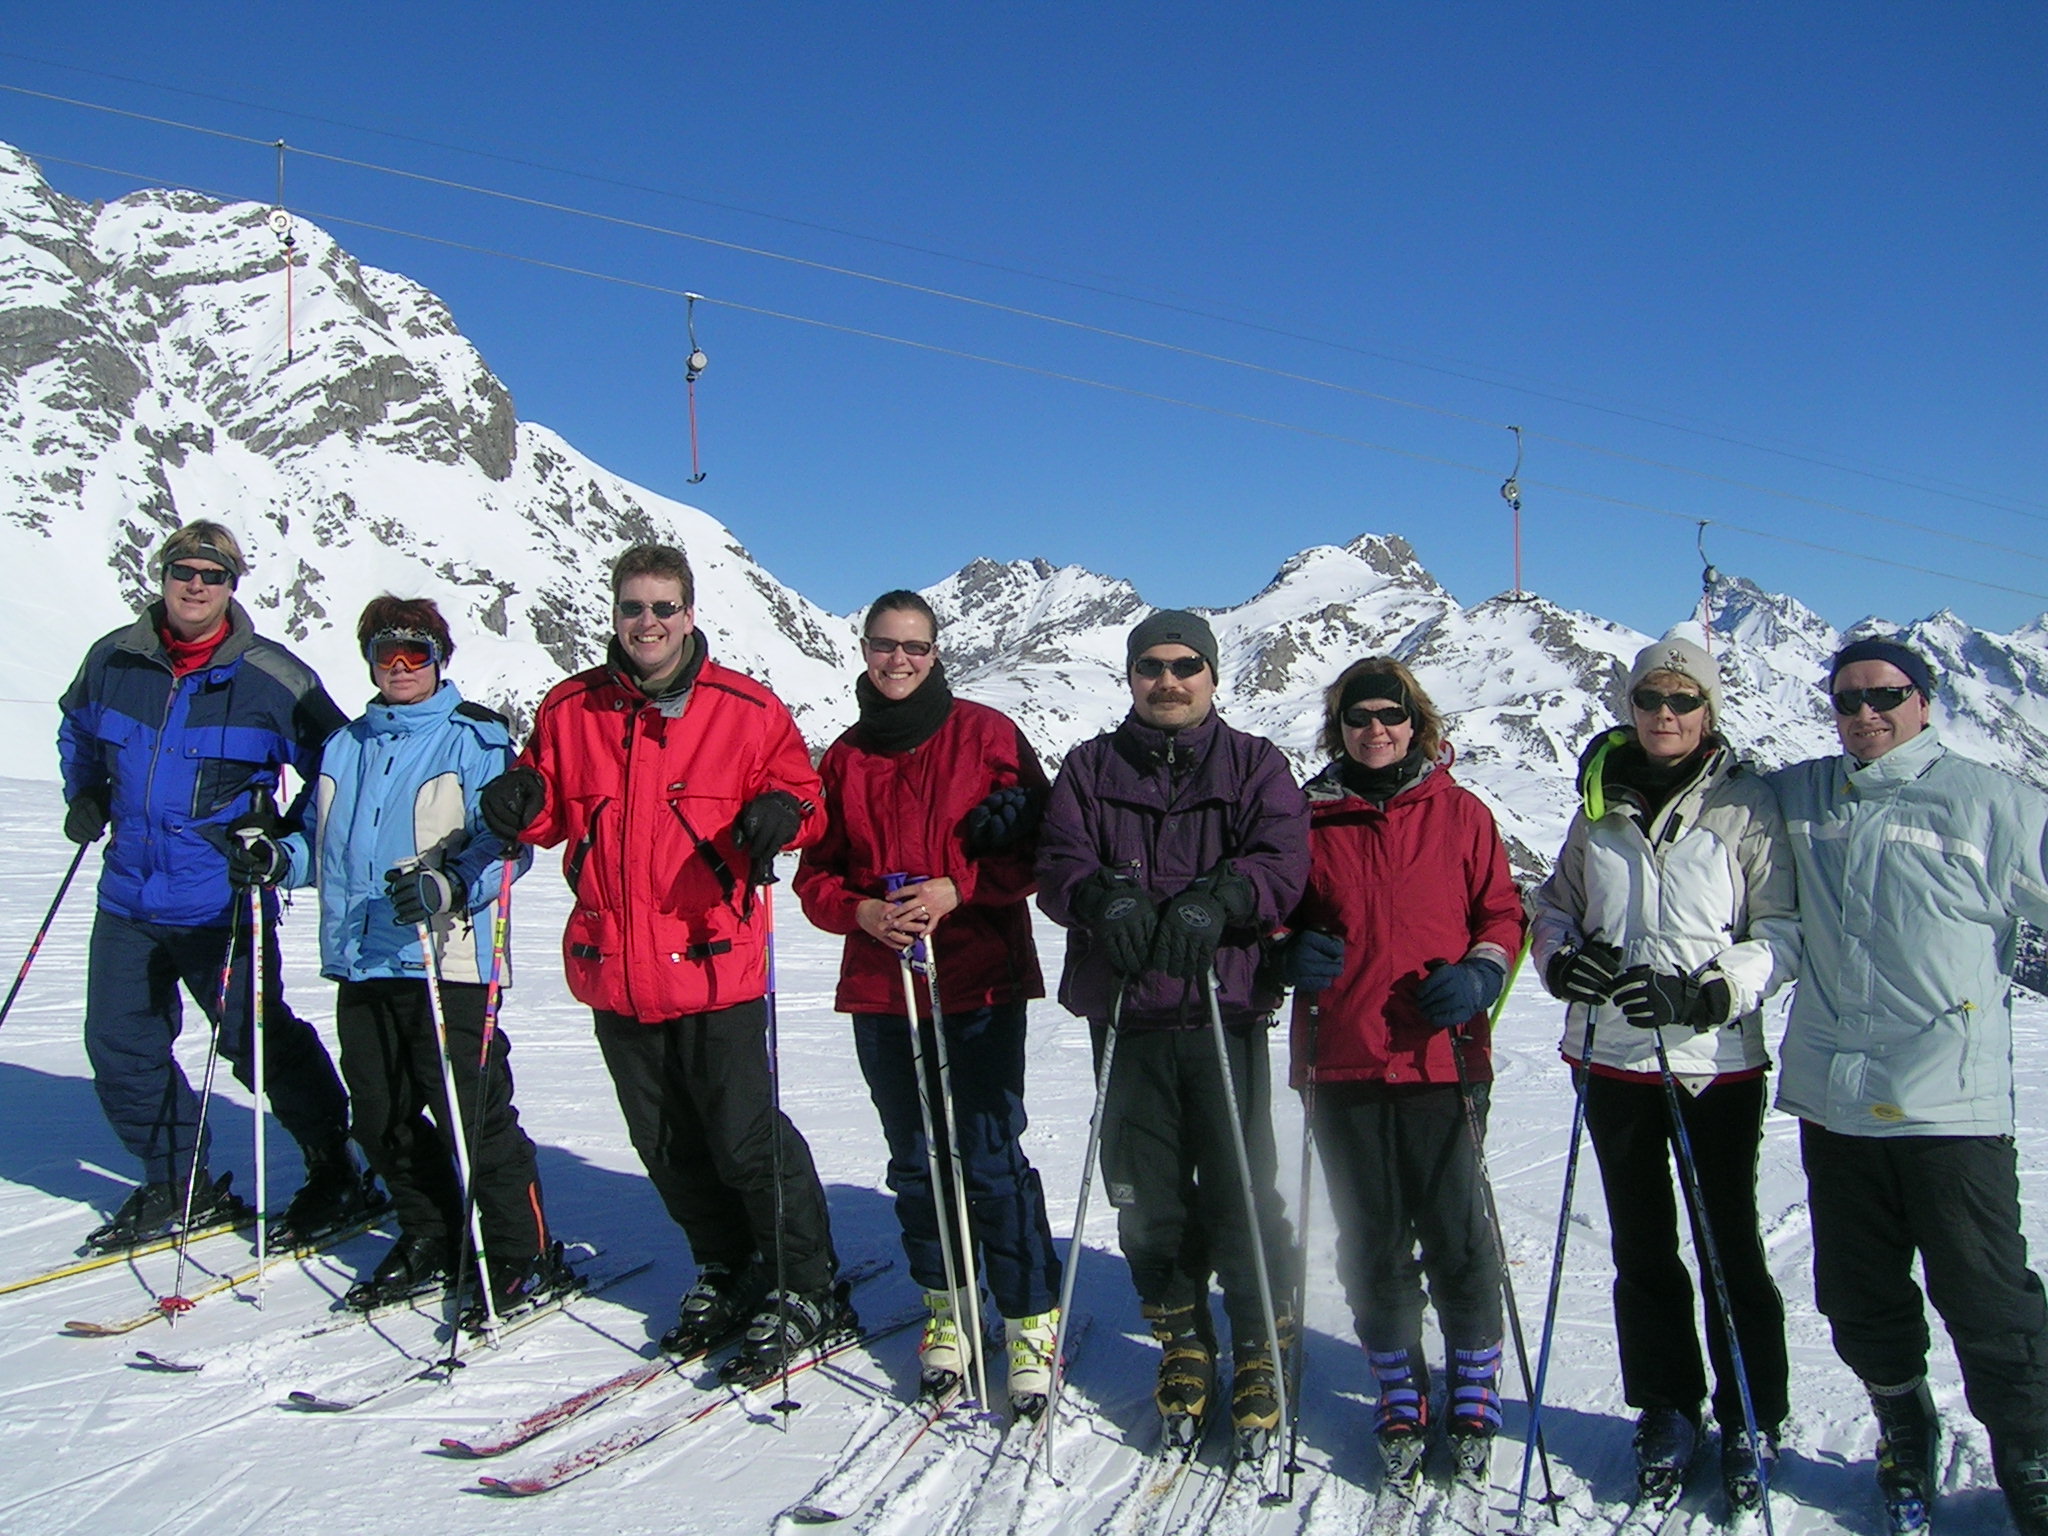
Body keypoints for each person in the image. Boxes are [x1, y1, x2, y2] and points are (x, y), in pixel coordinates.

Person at [480, 542, 844, 1378]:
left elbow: (807, 794)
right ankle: (727, 1264)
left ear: (689, 614)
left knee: (743, 1138)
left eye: (664, 607)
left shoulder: (744, 710)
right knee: (665, 1141)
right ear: (614, 614)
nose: (649, 623)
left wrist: (781, 815)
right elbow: (547, 806)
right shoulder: (572, 708)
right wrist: (520, 801)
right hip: (616, 963)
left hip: (715, 962)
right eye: (633, 608)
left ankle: (801, 1279)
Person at [1771, 637, 2048, 1536]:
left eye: (1884, 695)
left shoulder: (1992, 802)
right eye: (1846, 701)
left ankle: (2031, 1451)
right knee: (1858, 1295)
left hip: (1949, 1106)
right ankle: (1903, 1425)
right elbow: (1697, 789)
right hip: (1838, 1102)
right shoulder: (1804, 793)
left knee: (1990, 1299)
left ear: (1924, 700)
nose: (1865, 715)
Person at [1530, 631, 1798, 1509]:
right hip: (1610, 1058)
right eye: (1651, 700)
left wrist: (1710, 993)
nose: (1666, 715)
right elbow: (1557, 907)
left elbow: (1781, 933)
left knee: (1728, 1247)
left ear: (1709, 710)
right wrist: (1563, 963)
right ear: (1630, 707)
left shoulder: (1746, 805)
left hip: (1712, 1063)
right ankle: (1668, 1407)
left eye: (1683, 701)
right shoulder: (1598, 801)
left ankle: (1750, 1412)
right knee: (1644, 1248)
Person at [247, 596, 566, 1322]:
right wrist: (277, 858)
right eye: (385, 653)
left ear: (438, 660)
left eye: (413, 654)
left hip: (445, 958)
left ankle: (522, 1250)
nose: (398, 667)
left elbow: (508, 845)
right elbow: (319, 843)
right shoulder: (344, 745)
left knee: (472, 1113)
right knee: (379, 1114)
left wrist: (450, 883)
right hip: (363, 956)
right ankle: (431, 1233)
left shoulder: (474, 739)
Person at [57, 520, 372, 1251]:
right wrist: (87, 793)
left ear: (233, 585)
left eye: (213, 575)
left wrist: (285, 841)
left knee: (256, 1041)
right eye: (183, 571)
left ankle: (336, 1164)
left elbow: (339, 770)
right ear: (162, 575)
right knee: (118, 1042)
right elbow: (78, 728)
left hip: (222, 899)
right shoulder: (115, 658)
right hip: (129, 896)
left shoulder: (272, 676)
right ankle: (176, 1181)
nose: (195, 586)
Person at [1037, 609, 1308, 1451]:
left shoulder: (1255, 764)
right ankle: (1183, 1336)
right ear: (1130, 676)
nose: (1169, 680)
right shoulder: (1088, 769)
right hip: (1124, 1014)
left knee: (1237, 1185)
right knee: (1144, 1195)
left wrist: (1223, 898)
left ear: (1213, 675)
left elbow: (1283, 859)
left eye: (1186, 665)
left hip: (1222, 1009)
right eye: (1151, 665)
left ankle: (1263, 1338)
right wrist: (1097, 898)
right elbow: (1055, 861)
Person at [794, 589, 1062, 1415]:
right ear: (865, 650)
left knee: (986, 1151)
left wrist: (963, 885)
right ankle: (947, 1307)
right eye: (885, 645)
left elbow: (1048, 848)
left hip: (977, 975)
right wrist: (862, 911)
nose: (899, 660)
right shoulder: (844, 757)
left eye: (915, 646)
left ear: (937, 652)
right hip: (885, 985)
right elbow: (816, 876)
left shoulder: (986, 737)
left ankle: (1028, 1316)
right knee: (915, 1156)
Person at [1273, 658, 1525, 1482]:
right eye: (1356, 717)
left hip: (1442, 1056)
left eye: (1389, 714)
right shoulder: (1308, 822)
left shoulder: (1460, 815)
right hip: (1343, 1057)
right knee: (1372, 1233)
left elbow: (1502, 912)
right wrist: (1288, 955)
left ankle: (1475, 1378)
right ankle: (1396, 1380)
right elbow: (1273, 914)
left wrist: (1484, 973)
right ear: (1337, 727)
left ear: (1416, 722)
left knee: (1454, 1229)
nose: (1374, 729)